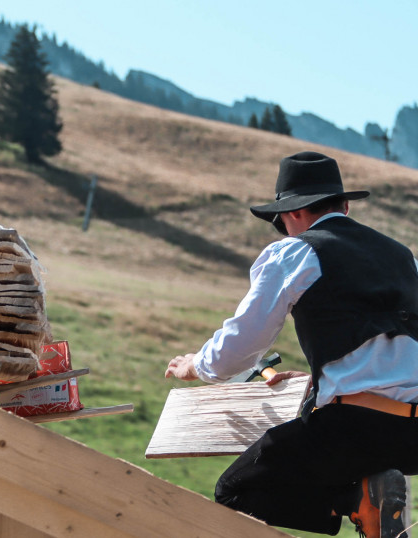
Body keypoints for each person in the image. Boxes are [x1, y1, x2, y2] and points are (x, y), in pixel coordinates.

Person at [164, 151, 418, 538]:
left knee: (236, 491)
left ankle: (358, 502)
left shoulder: (298, 251)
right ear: (345, 206)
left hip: (359, 429)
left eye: (280, 221)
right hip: (413, 434)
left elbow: (242, 343)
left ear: (293, 212)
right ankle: (371, 495)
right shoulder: (404, 258)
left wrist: (195, 365)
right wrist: (325, 381)